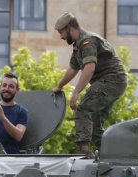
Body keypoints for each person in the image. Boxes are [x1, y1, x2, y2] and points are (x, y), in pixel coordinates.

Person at [51, 12, 127, 158]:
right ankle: (109, 155)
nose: (61, 37)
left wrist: (76, 92)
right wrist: (59, 86)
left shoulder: (87, 41)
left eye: (61, 32)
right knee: (95, 125)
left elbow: (89, 68)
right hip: (110, 82)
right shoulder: (78, 45)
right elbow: (73, 69)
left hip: (112, 80)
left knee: (83, 108)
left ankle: (83, 149)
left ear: (69, 28)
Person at [0, 72, 29, 154]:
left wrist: (3, 119)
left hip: (11, 158)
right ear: (0, 87)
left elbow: (18, 136)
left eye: (11, 86)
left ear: (17, 90)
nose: (6, 89)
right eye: (4, 85)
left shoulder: (22, 111)